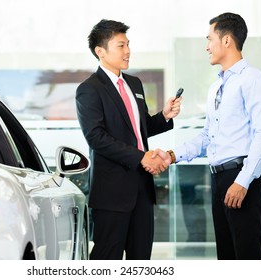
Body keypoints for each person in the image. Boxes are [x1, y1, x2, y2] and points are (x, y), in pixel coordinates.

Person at [151, 12, 261, 259]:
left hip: (241, 178)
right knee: (227, 258)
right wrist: (172, 155)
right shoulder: (217, 87)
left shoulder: (253, 81)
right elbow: (209, 135)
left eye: (210, 39)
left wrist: (242, 182)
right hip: (219, 179)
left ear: (227, 40)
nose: (206, 46)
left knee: (247, 257)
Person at [75, 19, 181, 260]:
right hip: (112, 192)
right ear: (100, 52)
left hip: (142, 189)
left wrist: (164, 116)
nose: (128, 51)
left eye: (128, 45)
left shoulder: (134, 83)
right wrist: (141, 156)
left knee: (141, 258)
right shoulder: (89, 89)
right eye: (121, 46)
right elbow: (96, 137)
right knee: (106, 258)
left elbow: (138, 129)